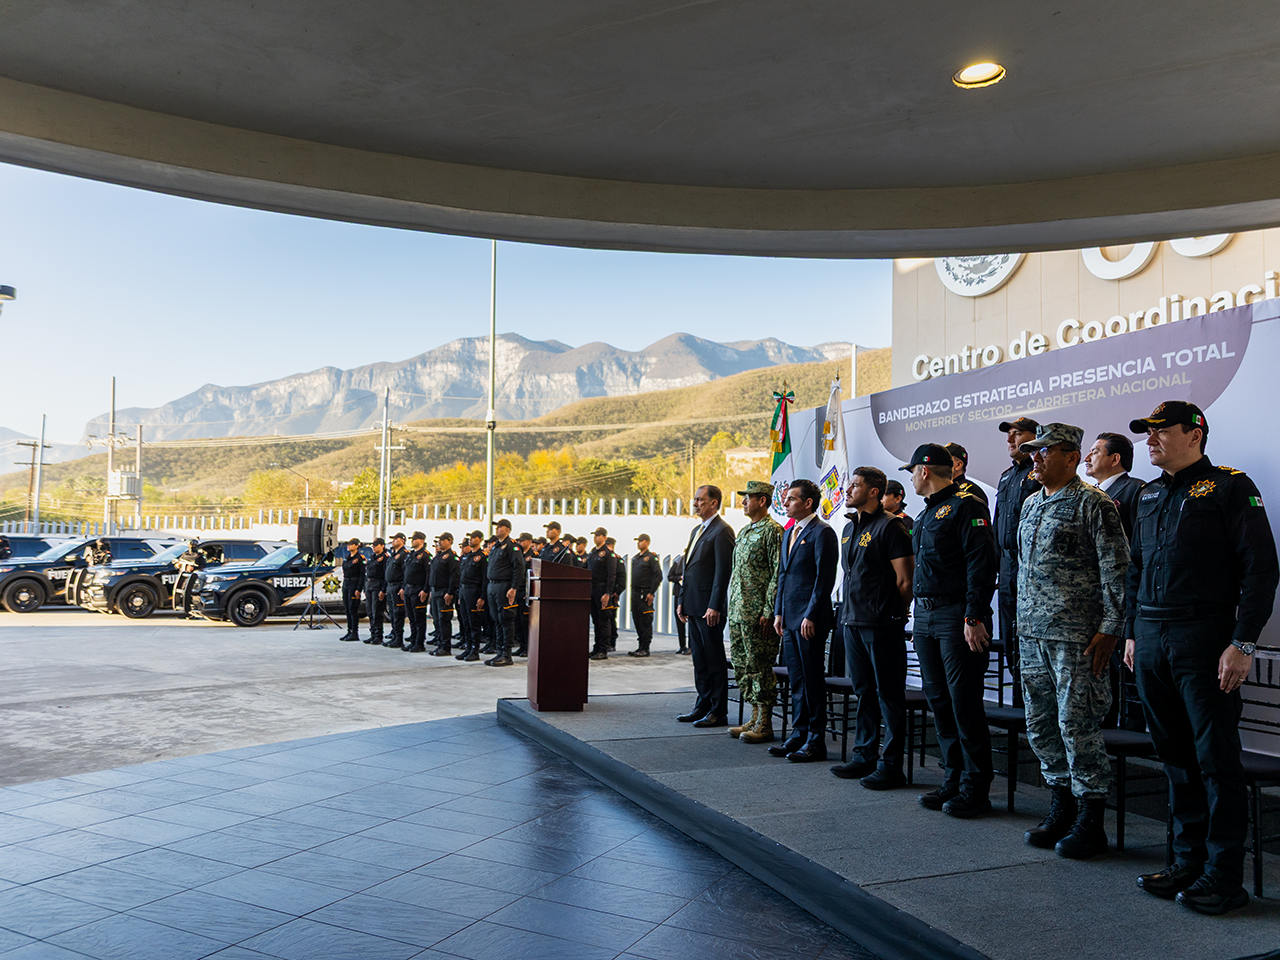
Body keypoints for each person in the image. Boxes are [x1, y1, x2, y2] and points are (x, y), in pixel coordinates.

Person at [1124, 401, 1278, 915]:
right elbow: (1135, 569)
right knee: (1175, 758)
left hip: (1205, 638)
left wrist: (1244, 643)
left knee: (1215, 760)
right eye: (1146, 432)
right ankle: (1186, 862)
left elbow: (1260, 572)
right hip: (1150, 636)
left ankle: (1223, 875)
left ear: (1195, 433)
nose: (1149, 440)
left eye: (1159, 431)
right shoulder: (1147, 494)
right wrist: (1130, 633)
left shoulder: (1232, 486)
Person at [1015, 423, 1130, 858]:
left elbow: (1116, 569)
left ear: (1069, 455)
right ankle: (1060, 804)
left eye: (1044, 451)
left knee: (1076, 725)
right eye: (1033, 452)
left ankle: (1091, 818)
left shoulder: (1093, 504)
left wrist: (1111, 628)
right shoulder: (1029, 504)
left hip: (1076, 636)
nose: (1036, 458)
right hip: (1031, 633)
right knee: (1041, 724)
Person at [905, 443, 999, 818]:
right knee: (939, 701)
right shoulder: (924, 515)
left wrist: (974, 617)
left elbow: (982, 564)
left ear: (925, 470)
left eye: (911, 471)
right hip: (926, 616)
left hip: (956, 615)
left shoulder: (967, 506)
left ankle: (976, 787)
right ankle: (954, 777)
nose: (910, 477)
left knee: (963, 703)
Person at [830, 467, 914, 788]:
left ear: (874, 492)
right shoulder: (850, 528)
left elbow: (905, 580)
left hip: (881, 623)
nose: (848, 490)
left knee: (888, 694)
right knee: (863, 692)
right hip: (852, 620)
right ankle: (864, 756)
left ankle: (891, 765)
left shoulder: (891, 527)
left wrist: (896, 610)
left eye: (855, 485)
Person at [767, 478, 839, 762]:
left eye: (791, 499)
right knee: (796, 680)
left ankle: (815, 741)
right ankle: (798, 734)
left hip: (810, 619)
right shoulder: (789, 532)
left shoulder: (823, 533)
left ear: (808, 503)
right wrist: (778, 611)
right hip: (789, 617)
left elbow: (825, 579)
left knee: (812, 680)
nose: (785, 504)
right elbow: (783, 575)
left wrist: (811, 613)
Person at [725, 481, 784, 742]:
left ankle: (765, 722)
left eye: (747, 498)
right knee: (742, 666)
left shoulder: (773, 531)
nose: (743, 502)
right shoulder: (745, 531)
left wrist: (769, 609)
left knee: (760, 667)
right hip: (738, 611)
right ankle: (753, 715)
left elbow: (777, 573)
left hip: (758, 613)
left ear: (762, 500)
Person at [677, 485, 736, 726]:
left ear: (714, 503)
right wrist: (682, 599)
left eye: (700, 500)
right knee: (699, 659)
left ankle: (718, 710)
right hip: (693, 604)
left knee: (713, 660)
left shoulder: (722, 531)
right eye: (695, 499)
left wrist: (715, 605)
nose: (695, 503)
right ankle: (702, 705)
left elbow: (723, 572)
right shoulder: (696, 530)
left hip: (709, 608)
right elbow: (687, 570)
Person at [994, 416, 1041, 705]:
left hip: (1032, 568)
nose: (1011, 439)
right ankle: (1020, 709)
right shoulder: (1006, 476)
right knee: (1011, 642)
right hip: (1007, 568)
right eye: (1009, 435)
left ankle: (1035, 711)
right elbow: (999, 522)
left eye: (1018, 434)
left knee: (1032, 644)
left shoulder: (1039, 473)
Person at [1084, 432, 1146, 540]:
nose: (1086, 458)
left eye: (1094, 453)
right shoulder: (1087, 493)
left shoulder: (1136, 489)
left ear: (1115, 459)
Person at [484, 519, 525, 667]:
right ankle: (499, 652)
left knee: (506, 619)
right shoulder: (496, 546)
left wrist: (514, 588)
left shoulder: (512, 546)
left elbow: (518, 568)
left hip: (505, 586)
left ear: (507, 529)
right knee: (496, 620)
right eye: (497, 527)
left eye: (500, 527)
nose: (497, 529)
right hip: (493, 586)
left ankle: (507, 655)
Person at [629, 534, 664, 658]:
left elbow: (658, 576)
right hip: (635, 593)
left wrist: (651, 592)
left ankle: (645, 648)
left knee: (645, 621)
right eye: (638, 541)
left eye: (641, 541)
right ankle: (640, 646)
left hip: (645, 593)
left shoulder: (651, 557)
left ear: (647, 542)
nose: (639, 543)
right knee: (637, 620)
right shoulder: (636, 558)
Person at [455, 531, 487, 662]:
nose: (471, 540)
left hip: (474, 591)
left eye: (474, 538)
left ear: (480, 539)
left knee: (474, 622)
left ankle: (475, 649)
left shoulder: (482, 557)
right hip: (464, 591)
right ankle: (468, 648)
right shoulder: (467, 556)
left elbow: (485, 578)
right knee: (465, 622)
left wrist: (482, 597)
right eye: (470, 538)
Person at [428, 533, 461, 656]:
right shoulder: (438, 557)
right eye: (439, 540)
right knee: (437, 619)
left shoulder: (452, 557)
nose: (439, 542)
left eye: (442, 540)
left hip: (444, 591)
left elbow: (454, 576)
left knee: (444, 620)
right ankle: (440, 644)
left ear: (450, 541)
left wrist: (450, 592)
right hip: (436, 591)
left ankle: (446, 647)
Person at [587, 527, 617, 661]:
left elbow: (612, 575)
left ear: (604, 538)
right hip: (592, 589)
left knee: (604, 621)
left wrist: (607, 594)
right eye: (595, 535)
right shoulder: (593, 552)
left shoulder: (608, 554)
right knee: (596, 621)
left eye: (598, 535)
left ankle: (603, 649)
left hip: (602, 590)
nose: (595, 537)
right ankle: (597, 647)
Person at [402, 531, 430, 652]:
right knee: (411, 618)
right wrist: (403, 587)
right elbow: (406, 573)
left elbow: (428, 574)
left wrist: (425, 590)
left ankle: (419, 643)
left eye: (415, 539)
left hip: (418, 589)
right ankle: (413, 640)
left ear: (421, 541)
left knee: (419, 617)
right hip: (408, 588)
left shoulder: (425, 555)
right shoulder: (411, 554)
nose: (412, 541)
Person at [383, 533, 407, 649]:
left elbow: (405, 573)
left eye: (396, 539)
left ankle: (399, 639)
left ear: (402, 540)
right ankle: (394, 636)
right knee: (392, 613)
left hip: (398, 586)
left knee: (398, 613)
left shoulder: (403, 554)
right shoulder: (393, 555)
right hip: (390, 586)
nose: (393, 541)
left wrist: (403, 587)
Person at [338, 538, 365, 642]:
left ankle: (355, 632)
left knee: (353, 608)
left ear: (357, 546)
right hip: (347, 583)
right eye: (348, 544)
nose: (348, 546)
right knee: (347, 609)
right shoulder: (347, 558)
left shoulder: (359, 558)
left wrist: (359, 589)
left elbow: (362, 575)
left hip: (354, 584)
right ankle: (349, 631)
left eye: (351, 544)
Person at [363, 537, 388, 645]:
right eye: (373, 546)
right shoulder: (373, 557)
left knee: (377, 611)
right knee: (370, 612)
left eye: (376, 545)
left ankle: (378, 636)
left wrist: (383, 589)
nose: (374, 548)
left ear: (382, 545)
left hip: (378, 585)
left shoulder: (385, 558)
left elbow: (386, 575)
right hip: (369, 585)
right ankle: (373, 634)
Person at [668, 552, 689, 654]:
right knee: (679, 619)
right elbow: (670, 576)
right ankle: (682, 646)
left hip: (690, 594)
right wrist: (680, 577)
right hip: (678, 593)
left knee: (691, 621)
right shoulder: (678, 561)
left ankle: (690, 646)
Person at [607, 537, 625, 651]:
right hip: (605, 593)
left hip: (613, 594)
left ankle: (612, 643)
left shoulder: (617, 559)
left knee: (611, 619)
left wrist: (617, 592)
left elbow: (622, 579)